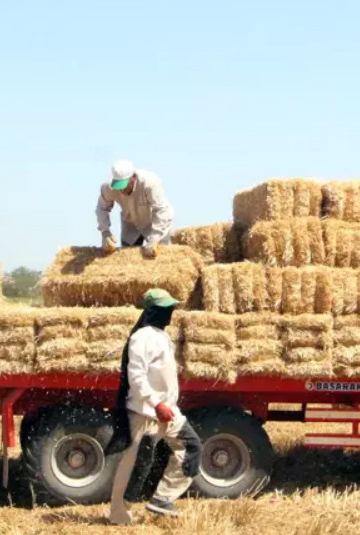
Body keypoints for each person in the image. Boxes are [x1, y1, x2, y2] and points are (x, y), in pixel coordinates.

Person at [107, 288, 201, 525]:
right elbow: (136, 377)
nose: (170, 313)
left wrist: (165, 405)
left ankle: (162, 499)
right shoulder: (141, 338)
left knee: (191, 447)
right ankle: (119, 517)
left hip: (168, 411)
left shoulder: (163, 336)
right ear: (152, 312)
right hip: (146, 412)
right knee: (135, 465)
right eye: (166, 309)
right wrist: (156, 403)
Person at [96, 159, 175, 258]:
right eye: (119, 186)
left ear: (133, 176)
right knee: (128, 257)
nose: (122, 189)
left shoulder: (150, 182)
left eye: (124, 185)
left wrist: (154, 239)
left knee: (162, 257)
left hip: (155, 221)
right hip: (130, 222)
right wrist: (105, 232)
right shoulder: (109, 187)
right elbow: (101, 209)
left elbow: (161, 210)